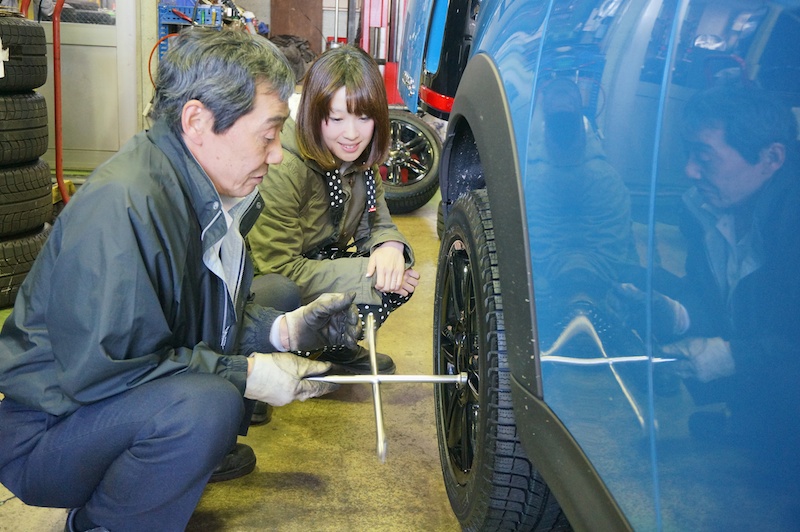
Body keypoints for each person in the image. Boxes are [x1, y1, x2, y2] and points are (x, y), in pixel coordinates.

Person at [0, 27, 362, 532]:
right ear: (198, 120)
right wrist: (248, 373)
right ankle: (100, 522)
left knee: (277, 294)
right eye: (269, 132)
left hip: (89, 410)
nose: (278, 153)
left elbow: (195, 309)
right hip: (48, 430)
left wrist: (287, 331)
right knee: (204, 408)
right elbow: (104, 370)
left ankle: (171, 461)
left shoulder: (192, 188)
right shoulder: (124, 206)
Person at [629, 86, 800, 450]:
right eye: (689, 153)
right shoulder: (702, 212)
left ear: (771, 158)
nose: (690, 170)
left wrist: (734, 357)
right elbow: (712, 296)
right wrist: (679, 315)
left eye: (705, 156)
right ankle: (757, 421)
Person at [247, 45, 419, 376]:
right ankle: (256, 365)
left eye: (364, 118)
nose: (352, 134)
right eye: (336, 118)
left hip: (318, 260)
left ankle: (335, 348)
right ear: (314, 113)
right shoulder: (284, 165)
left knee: (399, 274)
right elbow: (278, 267)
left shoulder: (359, 159)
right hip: (265, 280)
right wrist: (369, 275)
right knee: (278, 292)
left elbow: (377, 220)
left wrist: (391, 247)